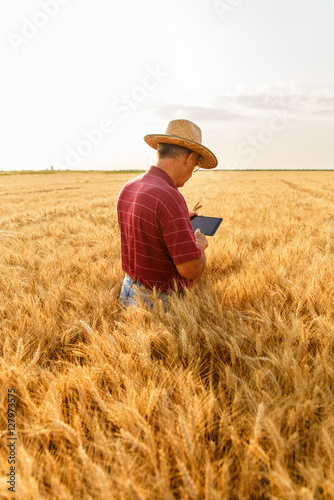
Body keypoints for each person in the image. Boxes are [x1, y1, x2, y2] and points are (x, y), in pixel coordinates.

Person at [116, 119, 218, 309]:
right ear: (188, 158)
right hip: (158, 303)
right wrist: (200, 246)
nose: (191, 173)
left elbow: (145, 234)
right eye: (195, 166)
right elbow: (190, 269)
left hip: (128, 290)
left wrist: (177, 221)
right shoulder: (169, 196)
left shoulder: (129, 186)